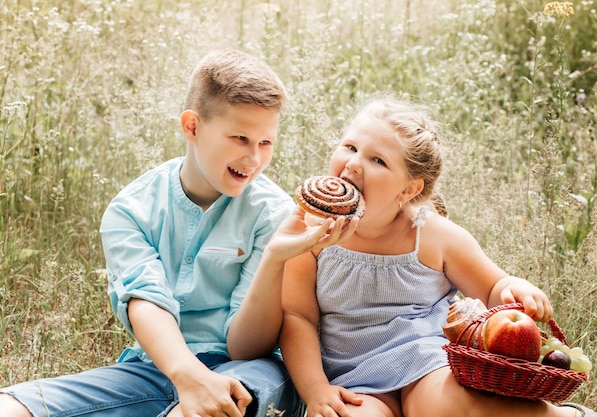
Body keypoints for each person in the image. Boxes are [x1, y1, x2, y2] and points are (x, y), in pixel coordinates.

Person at [0, 48, 358, 417]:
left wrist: (274, 258)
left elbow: (246, 347)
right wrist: (187, 376)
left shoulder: (273, 213)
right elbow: (146, 300)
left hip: (249, 373)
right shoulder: (131, 209)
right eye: (239, 138)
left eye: (265, 143)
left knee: (204, 411)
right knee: (10, 407)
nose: (254, 159)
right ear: (192, 126)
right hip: (154, 367)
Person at [279, 97, 597, 417]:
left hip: (427, 364)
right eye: (350, 147)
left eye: (378, 161)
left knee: (453, 407)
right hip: (354, 378)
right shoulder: (311, 235)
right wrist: (316, 390)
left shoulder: (433, 235)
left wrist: (512, 286)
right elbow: (298, 318)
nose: (352, 164)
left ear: (408, 190)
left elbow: (491, 287)